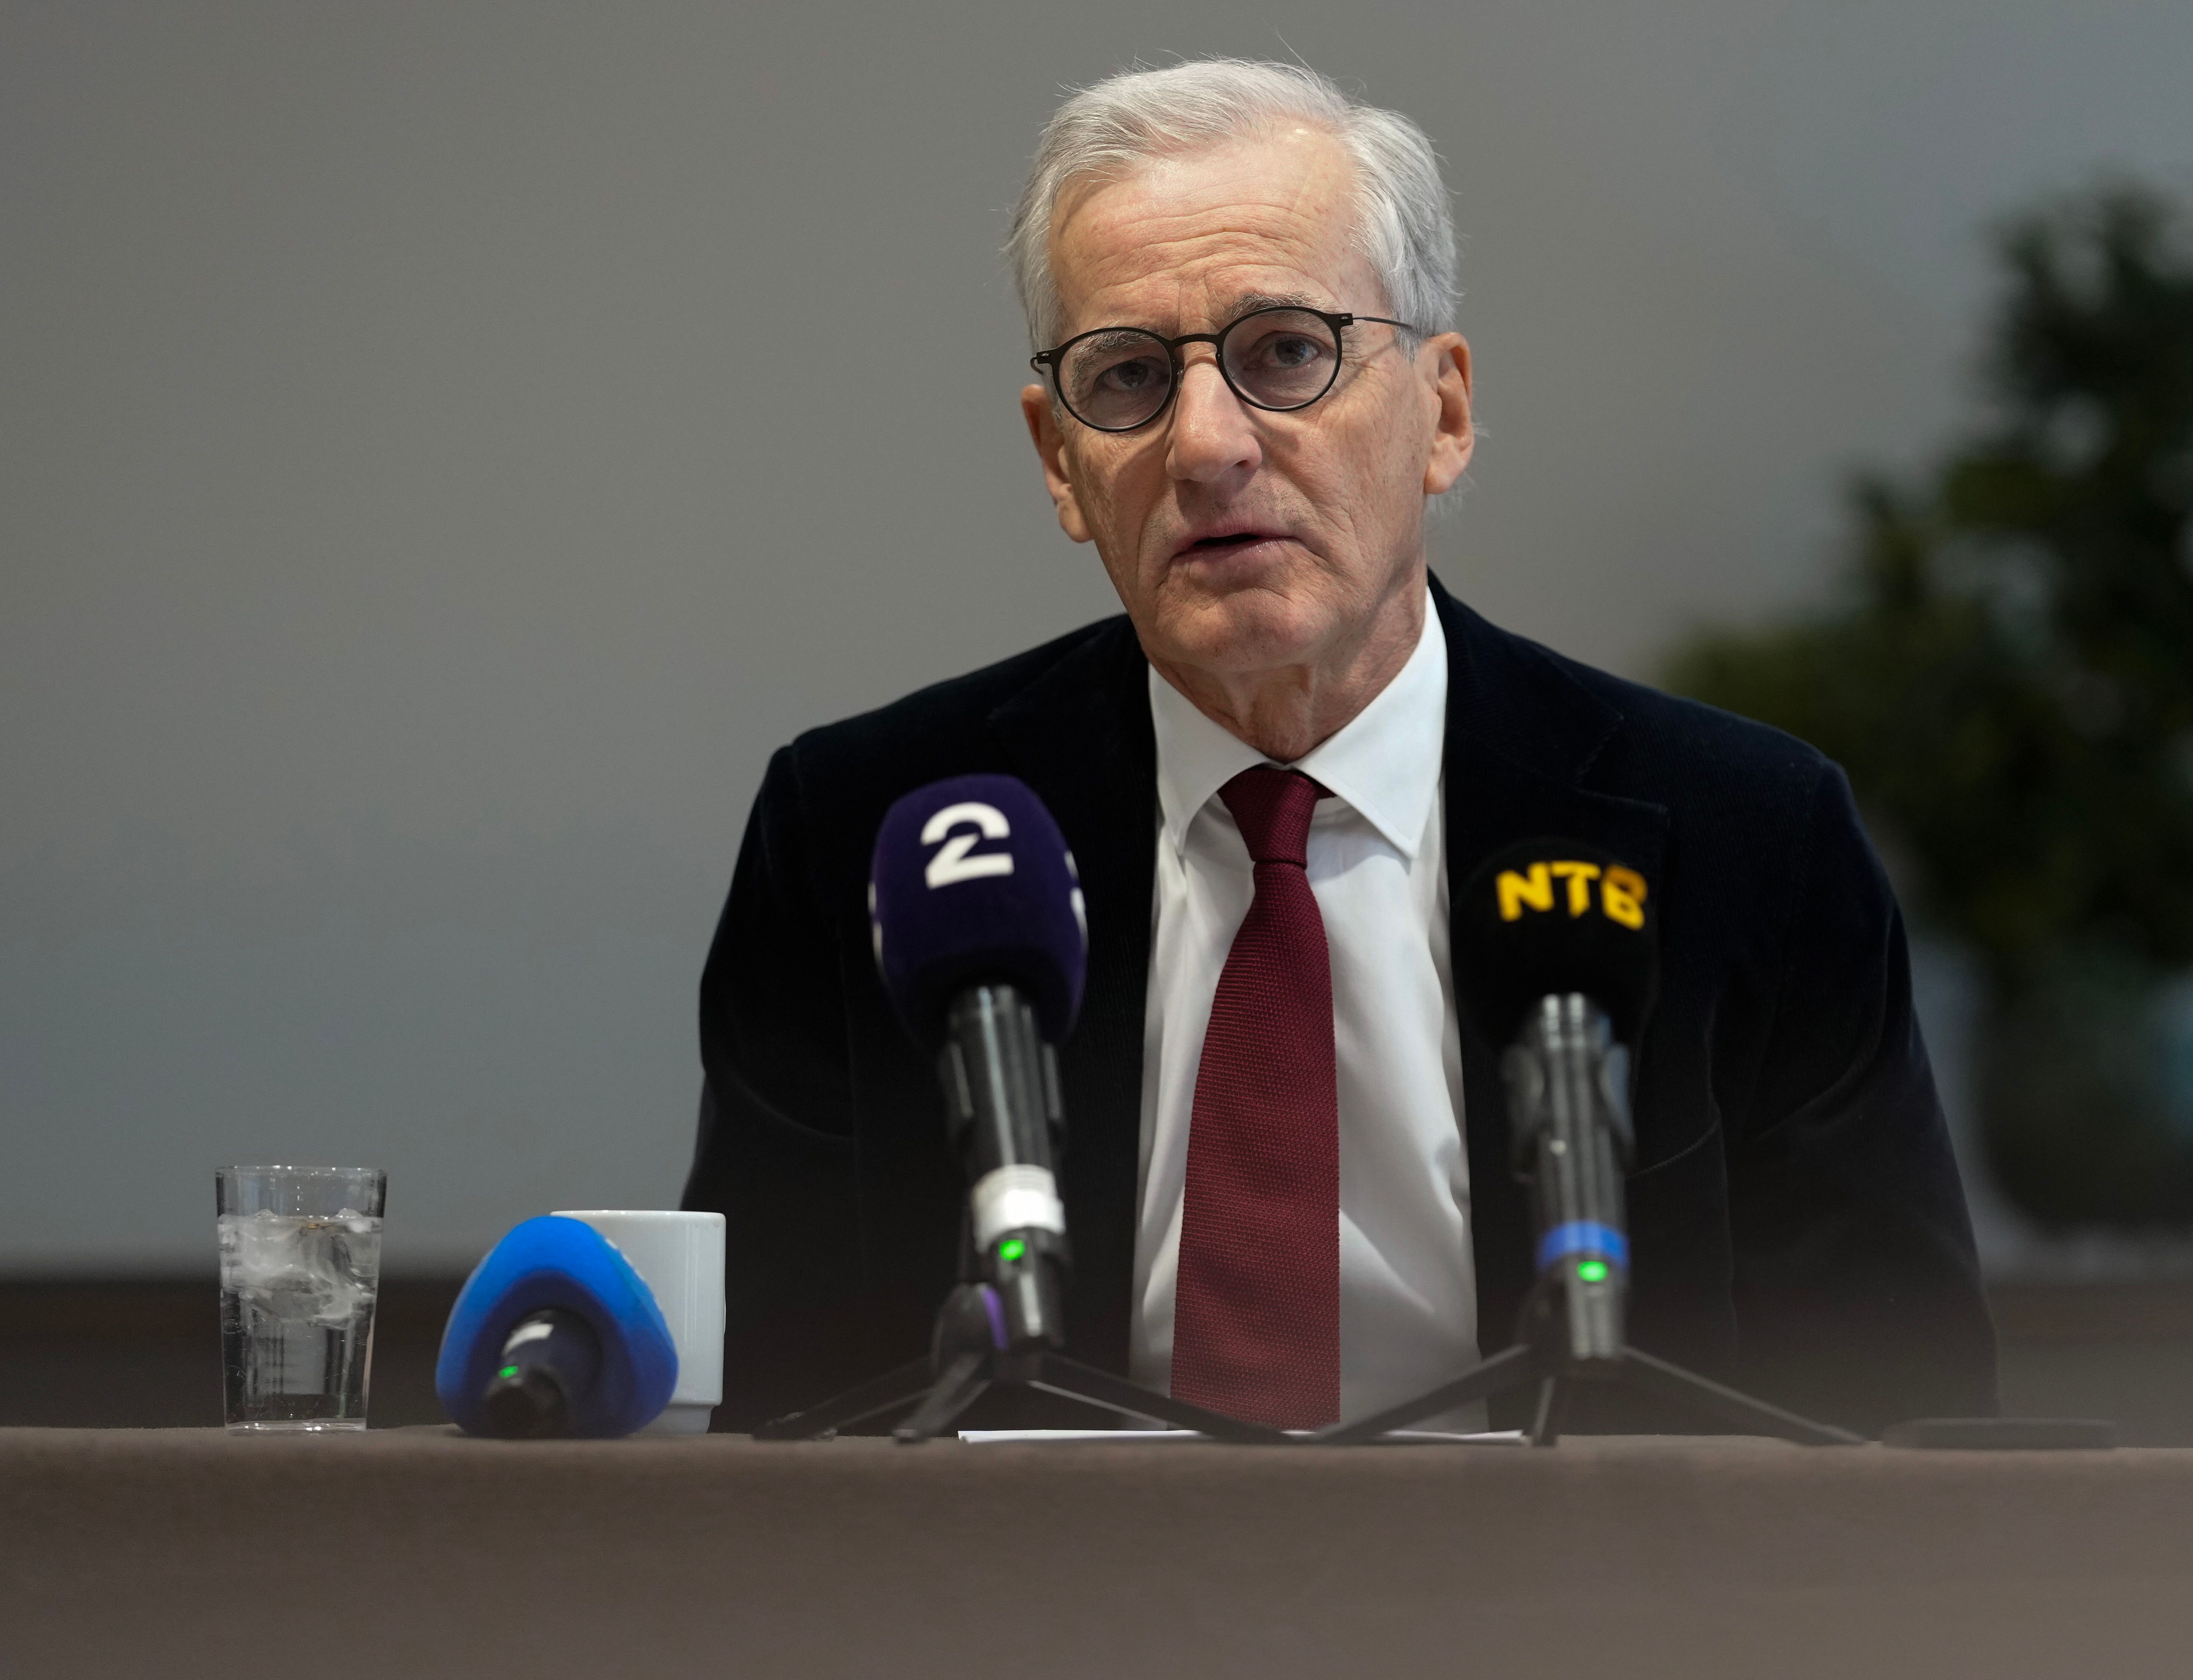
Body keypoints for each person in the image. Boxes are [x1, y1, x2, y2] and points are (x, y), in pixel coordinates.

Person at [684, 59, 1995, 1435]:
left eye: (1286, 353)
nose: (1206, 446)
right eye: (1127, 377)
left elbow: (1898, 1428)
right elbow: (778, 1426)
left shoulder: (1750, 838)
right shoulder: (863, 836)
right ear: (1060, 461)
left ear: (1444, 411)